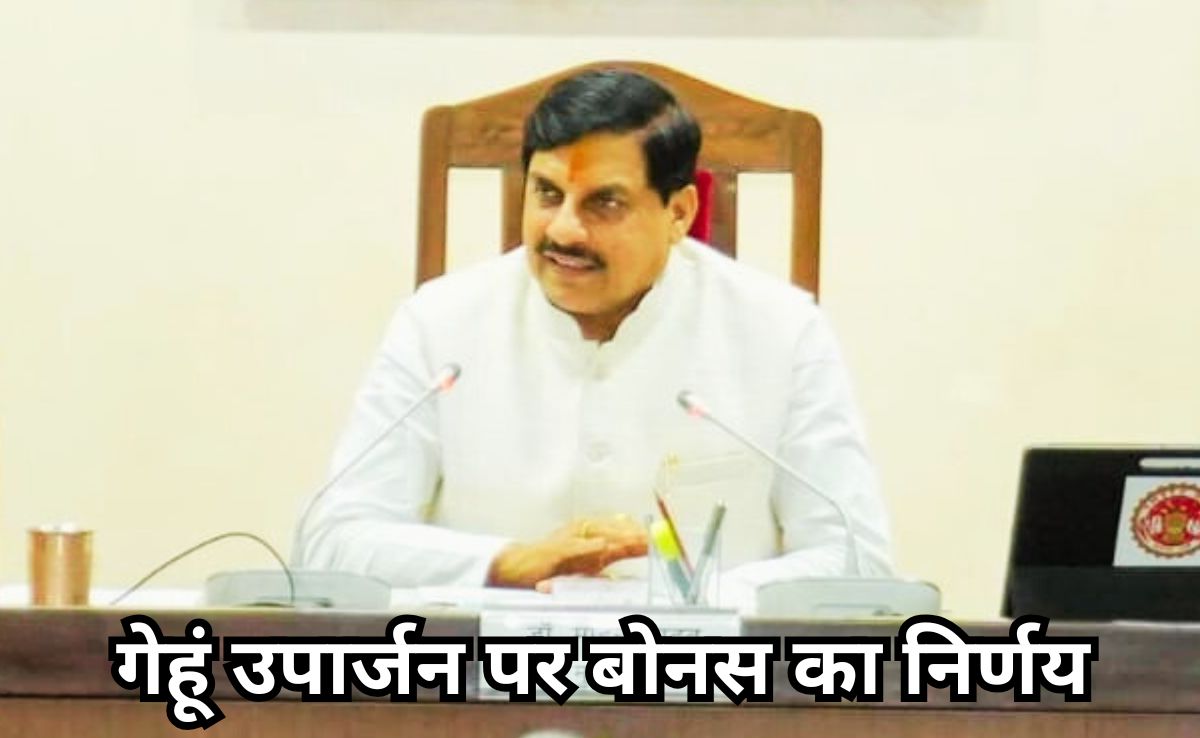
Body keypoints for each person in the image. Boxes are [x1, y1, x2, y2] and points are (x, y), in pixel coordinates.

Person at [294, 69, 892, 593]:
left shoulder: (781, 332)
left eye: (604, 203)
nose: (564, 230)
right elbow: (330, 540)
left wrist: (694, 600)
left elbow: (859, 559)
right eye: (547, 193)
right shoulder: (440, 324)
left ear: (679, 212)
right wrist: (503, 563)